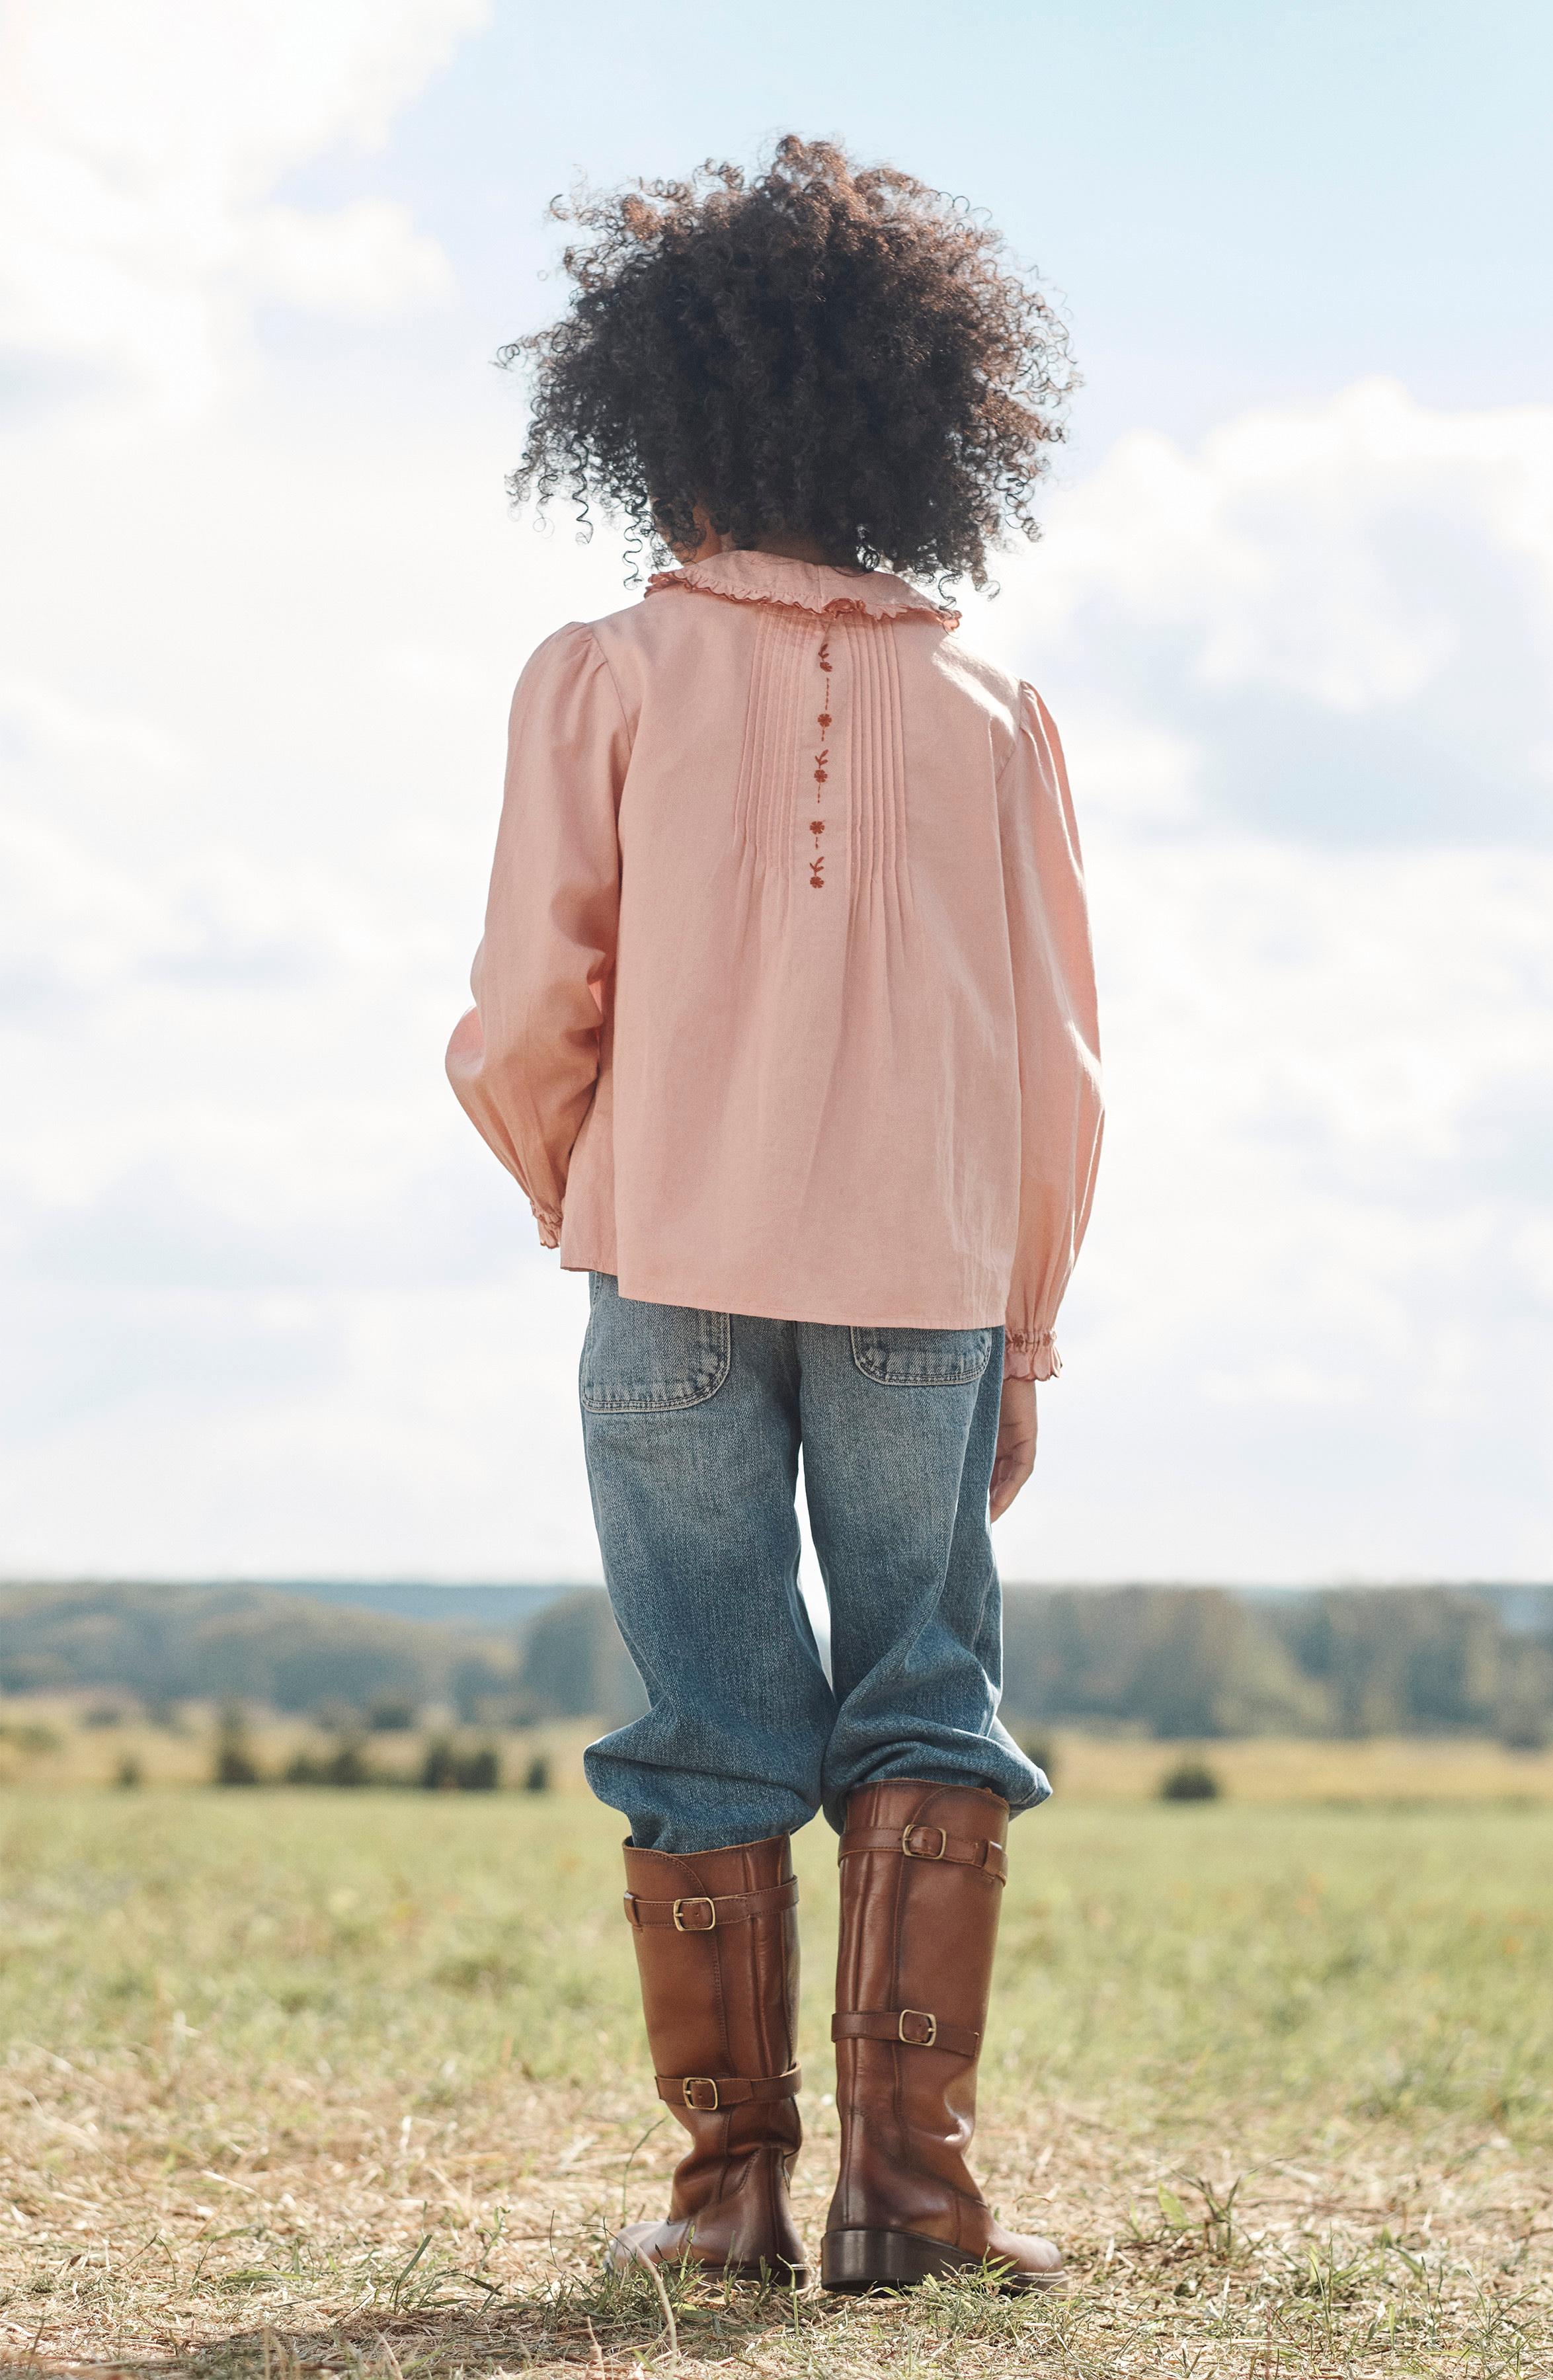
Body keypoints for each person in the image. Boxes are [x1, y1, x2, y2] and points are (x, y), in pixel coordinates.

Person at [446, 138, 1103, 2295]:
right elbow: (1058, 1066)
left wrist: (593, 1188)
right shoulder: (996, 712)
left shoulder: (601, 670)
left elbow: (526, 1012)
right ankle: (911, 2198)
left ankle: (724, 2200)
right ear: (921, 425)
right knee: (928, 1698)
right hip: (928, 1288)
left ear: (659, 412)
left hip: (669, 1275)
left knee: (704, 1710)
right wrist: (1025, 1324)